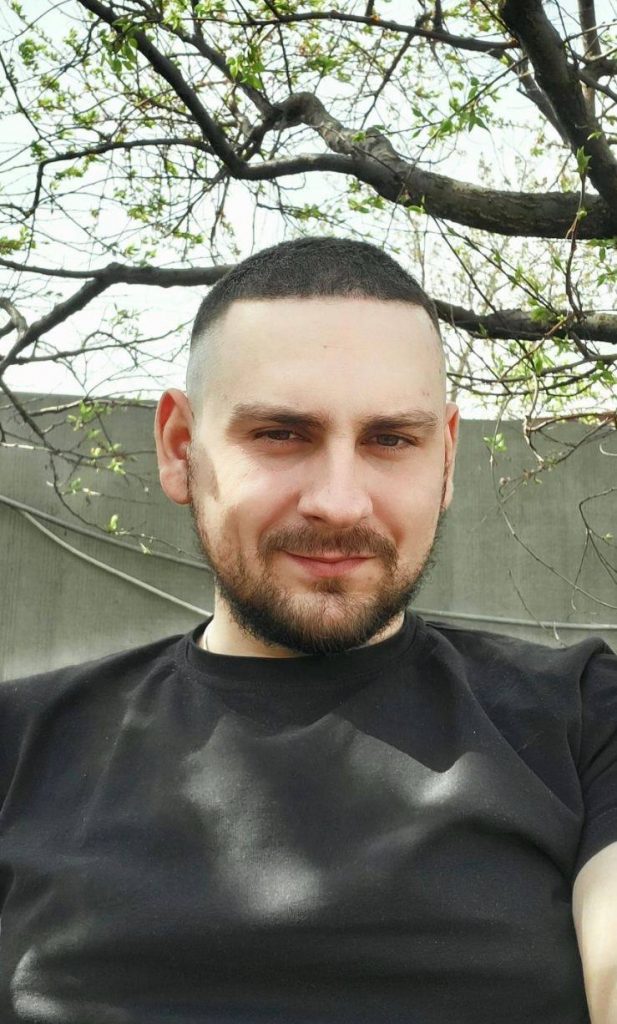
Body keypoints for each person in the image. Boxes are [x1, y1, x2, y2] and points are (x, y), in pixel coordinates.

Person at [0, 236, 615, 1024]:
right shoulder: (21, 747)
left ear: (446, 460)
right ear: (180, 448)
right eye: (280, 434)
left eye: (390, 440)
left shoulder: (583, 722)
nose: (338, 501)